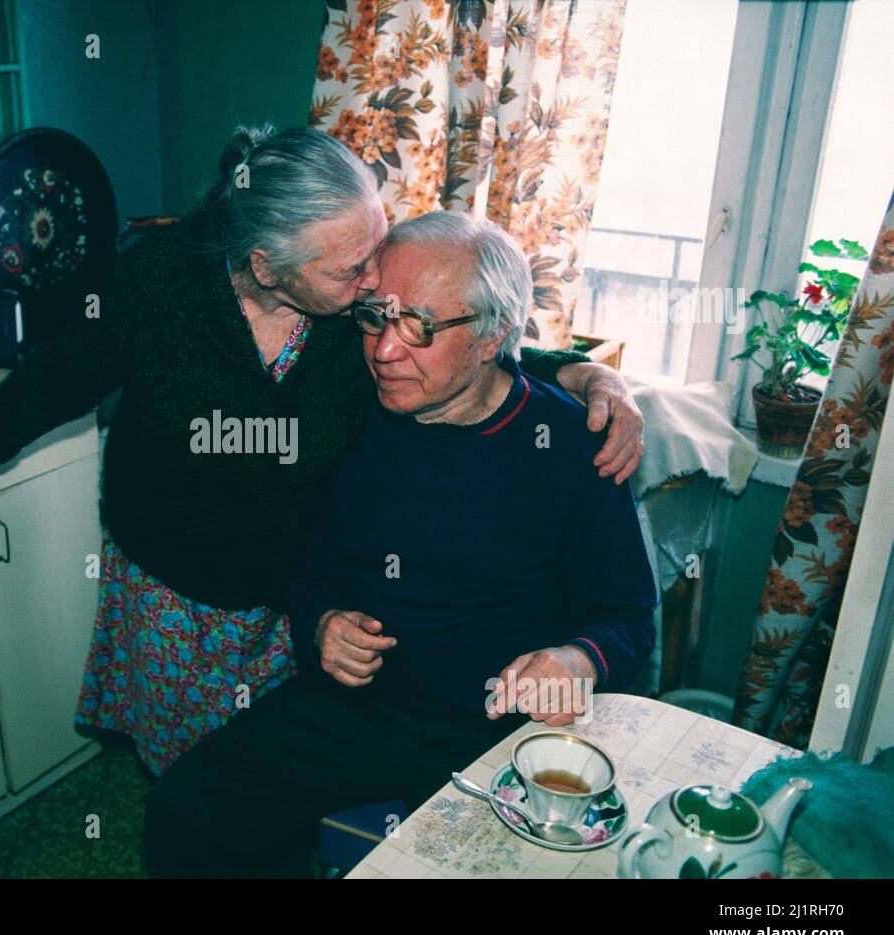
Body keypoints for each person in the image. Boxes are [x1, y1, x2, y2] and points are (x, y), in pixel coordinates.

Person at [0, 125, 645, 776]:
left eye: (376, 244)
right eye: (353, 269)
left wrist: (578, 371)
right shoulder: (158, 286)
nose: (375, 281)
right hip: (179, 585)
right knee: (191, 777)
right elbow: (58, 377)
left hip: (295, 589)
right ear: (268, 268)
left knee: (273, 768)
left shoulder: (354, 309)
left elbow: (459, 319)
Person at [142, 210, 658, 876]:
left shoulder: (570, 444)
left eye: (420, 325)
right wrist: (321, 623)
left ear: (494, 332)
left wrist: (576, 660)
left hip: (499, 728)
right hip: (360, 710)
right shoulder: (345, 407)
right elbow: (309, 566)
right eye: (378, 316)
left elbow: (628, 618)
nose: (386, 350)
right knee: (186, 811)